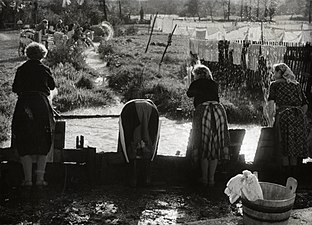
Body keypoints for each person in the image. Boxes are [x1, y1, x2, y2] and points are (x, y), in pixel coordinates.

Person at [11, 42, 57, 187]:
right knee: (43, 139)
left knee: (24, 140)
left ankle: (27, 180)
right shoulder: (45, 69)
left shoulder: (21, 69)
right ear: (42, 55)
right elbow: (52, 86)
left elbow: (15, 88)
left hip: (24, 104)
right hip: (40, 105)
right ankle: (40, 180)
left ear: (28, 54)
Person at [186, 64, 229, 187]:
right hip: (218, 111)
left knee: (203, 144)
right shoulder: (213, 83)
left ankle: (204, 178)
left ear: (198, 74)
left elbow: (189, 94)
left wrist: (191, 82)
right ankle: (212, 179)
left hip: (204, 110)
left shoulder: (197, 82)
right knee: (214, 146)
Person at [267, 63, 308, 178]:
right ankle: (294, 176)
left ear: (281, 73)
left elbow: (271, 104)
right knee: (293, 146)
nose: (273, 74)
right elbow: (305, 104)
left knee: (283, 145)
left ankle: (285, 176)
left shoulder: (274, 85)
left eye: (275, 72)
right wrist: (300, 115)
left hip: (284, 115)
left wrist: (271, 119)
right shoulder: (297, 85)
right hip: (297, 117)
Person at [118, 99, 160, 187]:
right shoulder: (153, 107)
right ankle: (147, 179)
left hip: (130, 109)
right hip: (151, 110)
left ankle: (132, 179)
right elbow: (155, 138)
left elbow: (123, 138)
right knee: (151, 142)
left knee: (128, 142)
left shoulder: (129, 106)